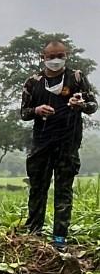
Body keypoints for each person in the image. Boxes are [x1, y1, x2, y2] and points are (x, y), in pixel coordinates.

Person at [21, 39, 97, 250]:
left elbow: (93, 106)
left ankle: (60, 238)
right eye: (51, 56)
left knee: (64, 190)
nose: (55, 60)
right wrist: (37, 110)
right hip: (41, 144)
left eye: (60, 56)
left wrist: (80, 104)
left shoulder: (76, 78)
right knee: (38, 189)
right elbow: (24, 112)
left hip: (68, 143)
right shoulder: (33, 82)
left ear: (66, 56)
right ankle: (33, 234)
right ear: (42, 57)